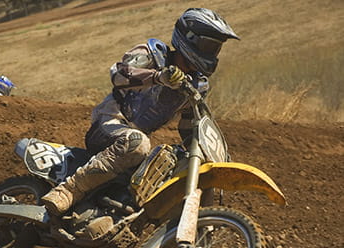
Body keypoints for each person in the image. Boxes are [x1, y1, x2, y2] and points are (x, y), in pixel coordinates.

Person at [41, 8, 239, 216]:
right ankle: (68, 190)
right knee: (138, 144)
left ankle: (185, 236)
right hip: (108, 125)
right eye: (209, 45)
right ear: (189, 39)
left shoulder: (196, 84)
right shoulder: (153, 54)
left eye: (216, 48)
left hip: (134, 143)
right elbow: (119, 75)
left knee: (184, 166)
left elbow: (189, 127)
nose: (212, 53)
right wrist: (158, 77)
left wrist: (210, 157)